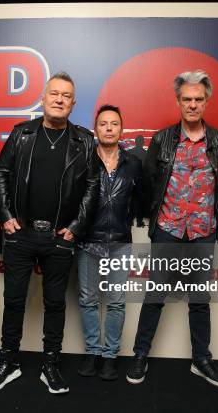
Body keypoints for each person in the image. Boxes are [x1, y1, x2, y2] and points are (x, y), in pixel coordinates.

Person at [0, 72, 99, 394]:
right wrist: (5, 216)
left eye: (66, 96)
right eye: (54, 94)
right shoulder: (22, 134)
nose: (59, 99)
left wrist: (75, 227)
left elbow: (92, 186)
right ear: (43, 98)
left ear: (73, 104)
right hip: (21, 236)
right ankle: (8, 361)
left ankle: (51, 364)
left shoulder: (85, 141)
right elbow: (0, 172)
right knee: (14, 300)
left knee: (56, 303)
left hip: (60, 238)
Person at [127, 70, 218, 388]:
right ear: (178, 101)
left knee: (199, 299)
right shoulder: (163, 139)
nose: (192, 105)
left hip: (203, 230)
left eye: (198, 99)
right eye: (187, 99)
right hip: (168, 229)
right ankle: (140, 355)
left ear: (206, 101)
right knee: (155, 295)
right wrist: (153, 225)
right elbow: (148, 185)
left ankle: (202, 360)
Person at [76, 105, 143, 381]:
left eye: (114, 124)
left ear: (121, 129)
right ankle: (92, 352)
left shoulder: (133, 164)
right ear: (96, 129)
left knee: (115, 302)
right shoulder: (83, 160)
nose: (109, 128)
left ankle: (110, 356)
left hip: (120, 241)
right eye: (103, 124)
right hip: (87, 240)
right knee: (88, 300)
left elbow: (141, 201)